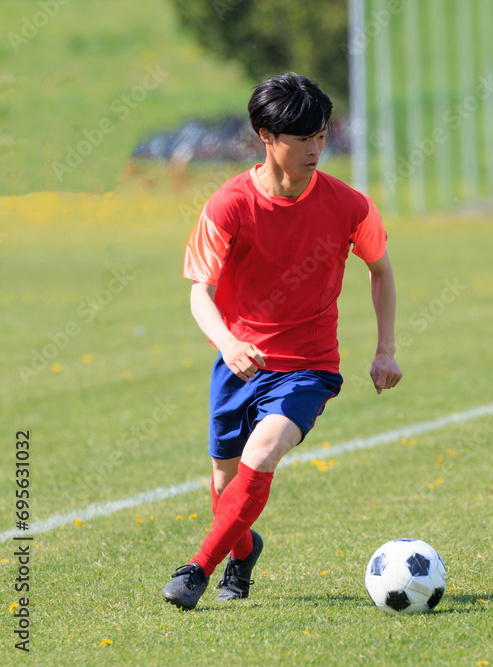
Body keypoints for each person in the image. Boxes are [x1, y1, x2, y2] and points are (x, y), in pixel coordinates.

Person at [161, 73, 401, 610]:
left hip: (308, 367)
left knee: (263, 452)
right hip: (238, 364)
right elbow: (201, 290)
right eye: (303, 139)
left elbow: (381, 271)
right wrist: (227, 342)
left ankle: (196, 570)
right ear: (266, 136)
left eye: (322, 135)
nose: (317, 148)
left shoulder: (349, 206)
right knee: (226, 492)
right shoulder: (228, 205)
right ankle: (243, 555)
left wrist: (385, 349)